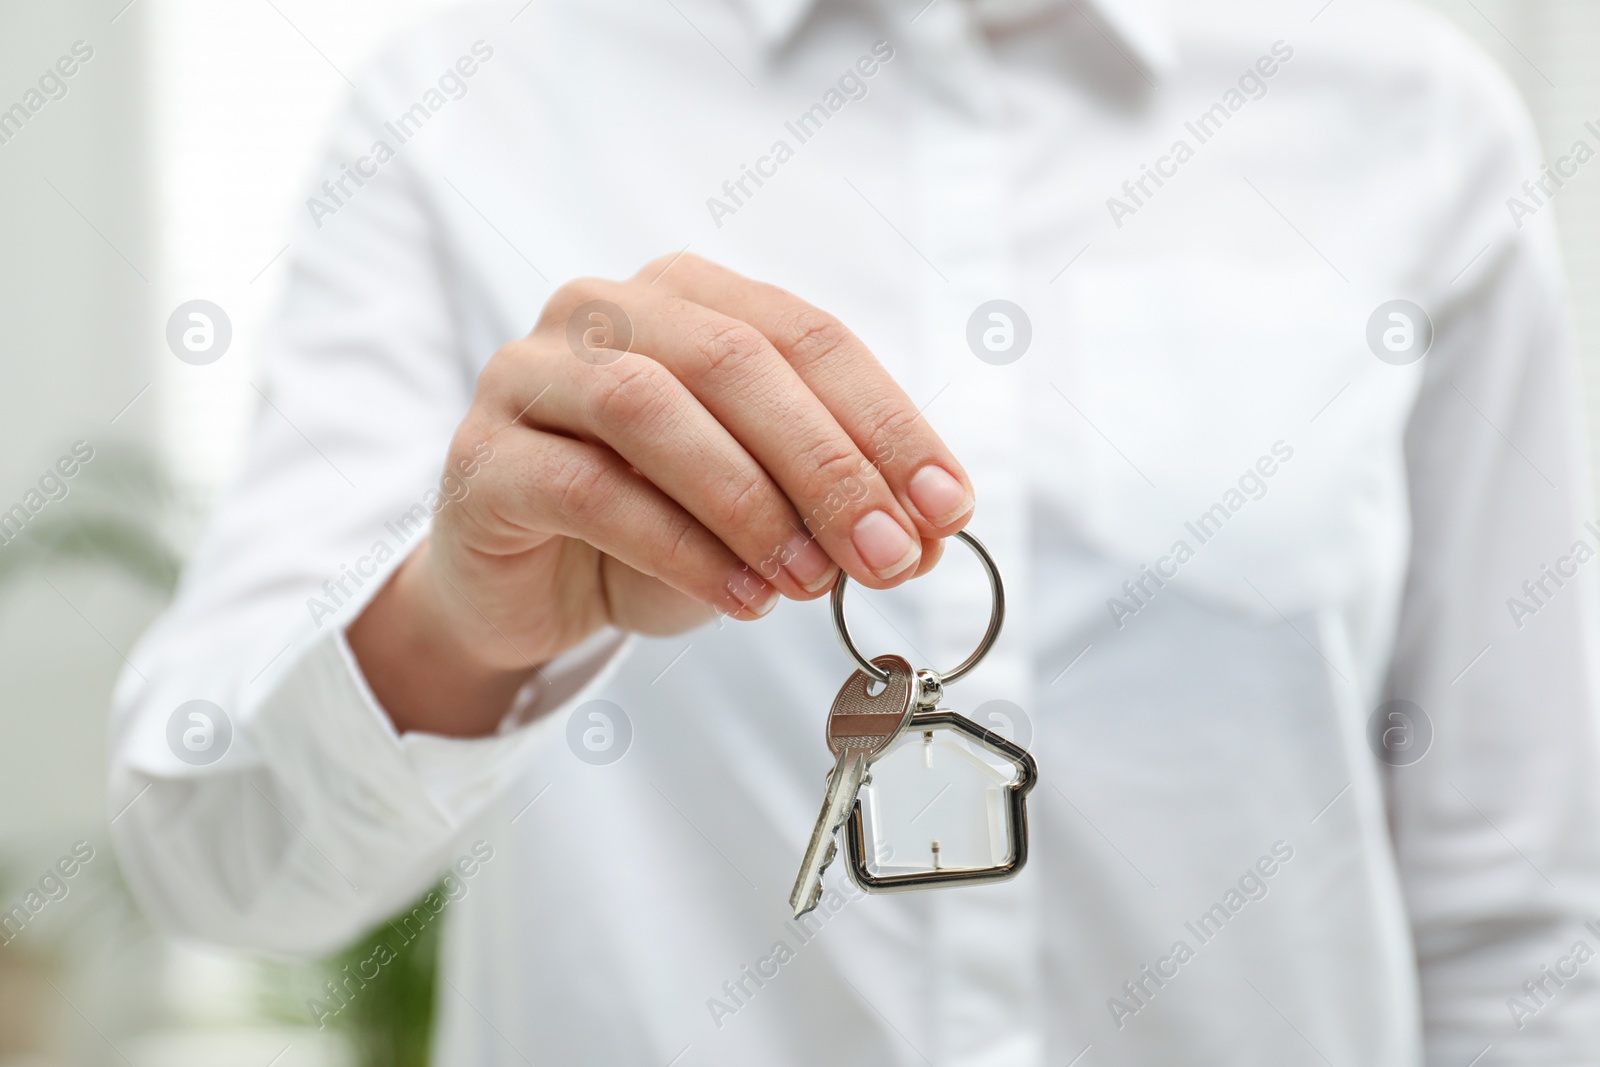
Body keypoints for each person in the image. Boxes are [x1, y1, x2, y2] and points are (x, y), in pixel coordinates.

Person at [110, 0, 1600, 1063]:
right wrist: (454, 625)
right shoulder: (457, 103)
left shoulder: (1413, 119)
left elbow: (1524, 926)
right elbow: (220, 864)